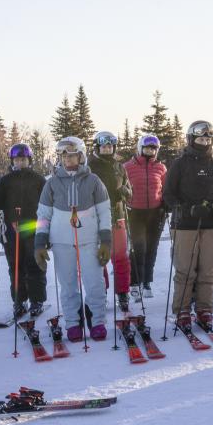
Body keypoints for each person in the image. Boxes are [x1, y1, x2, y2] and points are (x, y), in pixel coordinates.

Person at [35, 137, 112, 341]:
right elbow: (43, 216)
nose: (68, 159)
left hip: (89, 240)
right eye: (64, 156)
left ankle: (97, 321)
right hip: (61, 241)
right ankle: (72, 322)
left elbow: (105, 212)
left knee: (94, 283)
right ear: (59, 158)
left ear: (81, 156)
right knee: (68, 284)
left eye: (73, 155)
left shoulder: (94, 181)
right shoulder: (51, 184)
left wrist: (106, 241)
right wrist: (39, 242)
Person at [161, 121, 213, 332]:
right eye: (201, 139)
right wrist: (183, 209)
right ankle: (182, 309)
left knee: (208, 271)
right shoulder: (180, 164)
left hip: (211, 224)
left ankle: (204, 309)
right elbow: (168, 194)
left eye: (208, 139)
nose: (204, 143)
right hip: (185, 225)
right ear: (191, 140)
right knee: (185, 270)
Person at [0, 143, 47, 321]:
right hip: (11, 231)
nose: (20, 163)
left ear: (29, 160)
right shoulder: (4, 182)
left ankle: (37, 300)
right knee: (15, 267)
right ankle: (19, 301)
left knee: (35, 265)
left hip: (34, 229)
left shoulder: (38, 180)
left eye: (23, 159)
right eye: (17, 160)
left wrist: (47, 233)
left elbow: (47, 206)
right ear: (12, 161)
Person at [88, 131, 135, 312]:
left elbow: (130, 190)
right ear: (98, 148)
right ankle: (101, 291)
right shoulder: (90, 166)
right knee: (101, 257)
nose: (107, 149)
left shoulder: (119, 167)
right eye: (104, 146)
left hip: (118, 216)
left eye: (110, 146)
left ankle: (122, 293)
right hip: (98, 218)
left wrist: (125, 191)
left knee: (121, 257)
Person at [125, 133, 167, 298]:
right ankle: (134, 282)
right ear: (140, 148)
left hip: (155, 213)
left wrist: (165, 204)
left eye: (153, 149)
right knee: (138, 248)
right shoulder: (128, 167)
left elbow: (165, 188)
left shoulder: (161, 168)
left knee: (151, 248)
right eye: (147, 148)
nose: (150, 151)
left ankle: (147, 281)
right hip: (135, 212)